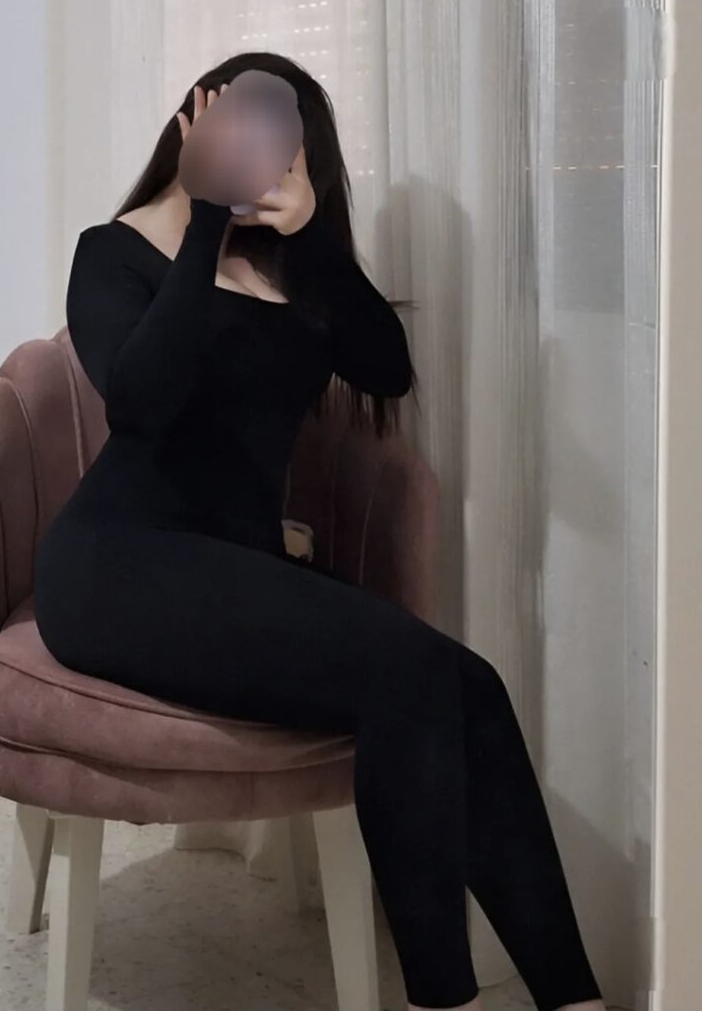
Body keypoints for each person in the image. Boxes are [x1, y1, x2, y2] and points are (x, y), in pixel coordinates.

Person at [33, 51, 606, 1011]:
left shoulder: (289, 264)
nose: (253, 146)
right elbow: (141, 403)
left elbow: (385, 369)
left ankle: (575, 998)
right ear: (192, 125)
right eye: (235, 123)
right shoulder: (115, 251)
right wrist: (205, 216)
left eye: (278, 134)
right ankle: (444, 999)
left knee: (469, 683)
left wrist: (315, 244)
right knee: (410, 673)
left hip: (238, 570)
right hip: (118, 565)